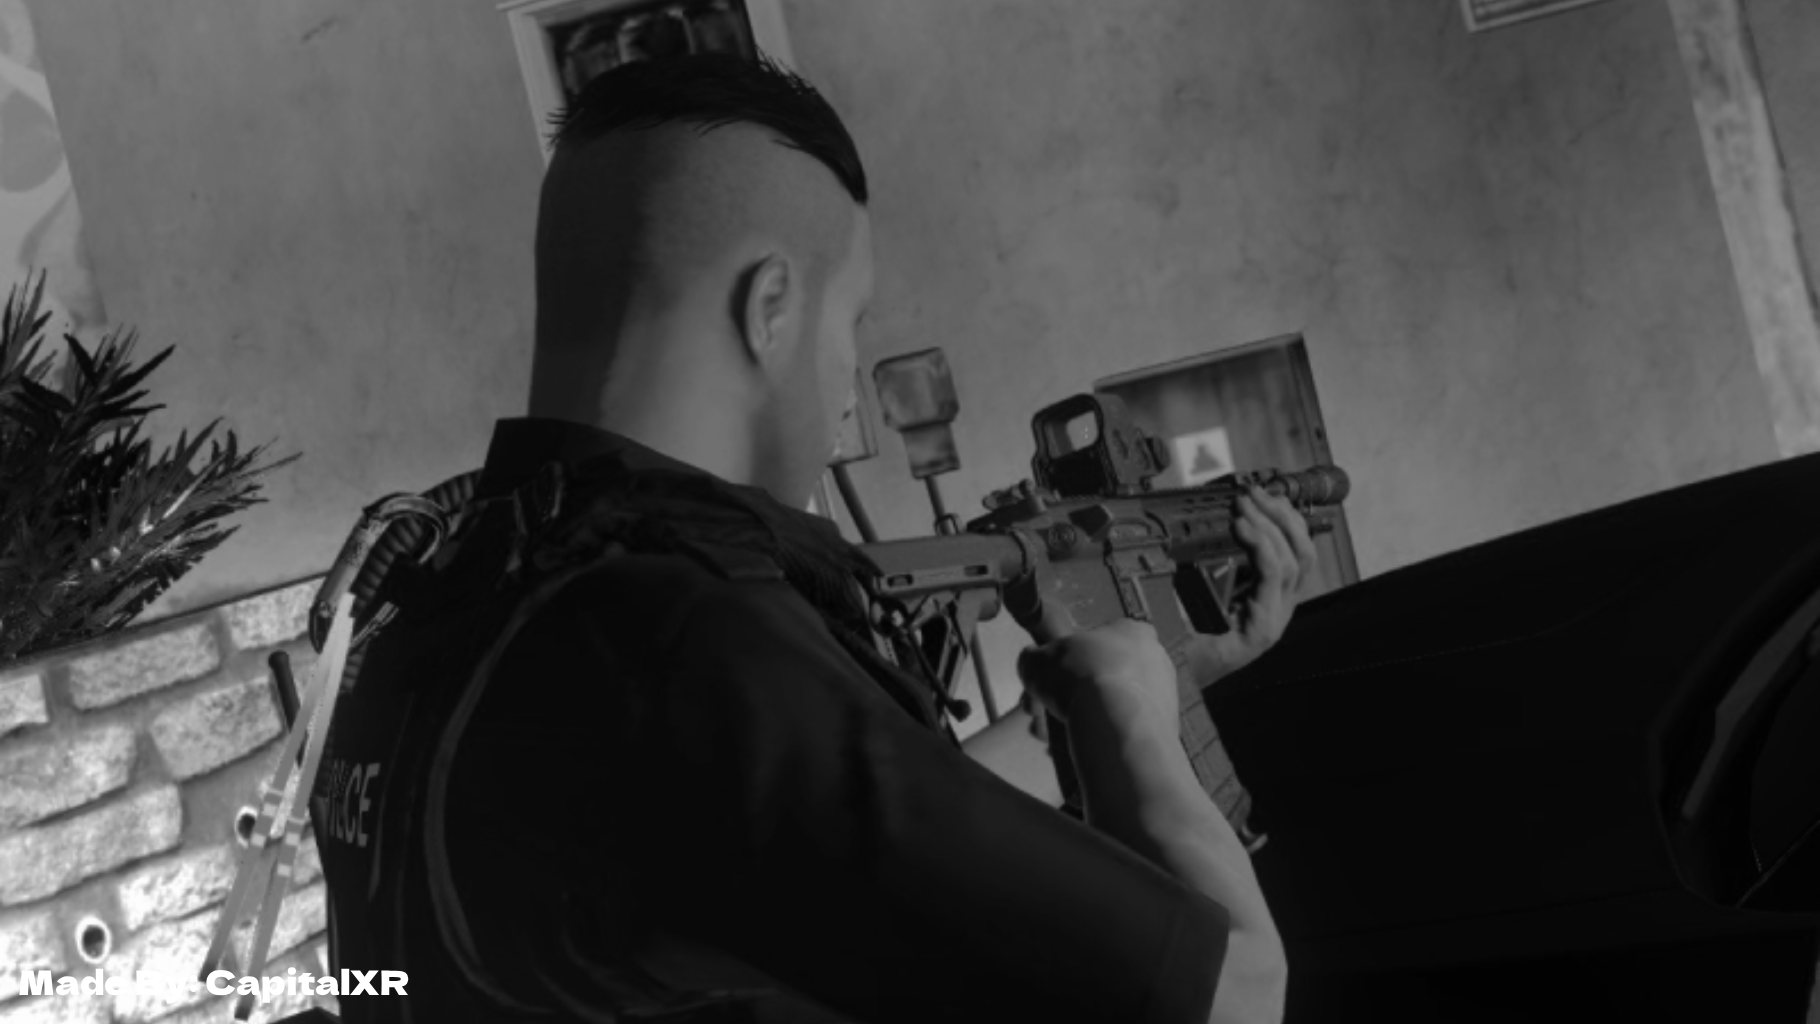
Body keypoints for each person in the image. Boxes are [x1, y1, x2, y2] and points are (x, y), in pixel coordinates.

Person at [316, 52, 1316, 1024]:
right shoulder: (682, 639)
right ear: (771, 307)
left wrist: (1137, 695)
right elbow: (1235, 996)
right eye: (852, 321)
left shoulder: (442, 606)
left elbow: (824, 849)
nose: (846, 384)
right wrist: (1130, 711)